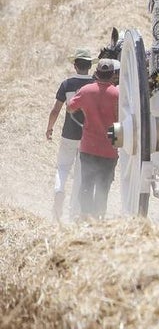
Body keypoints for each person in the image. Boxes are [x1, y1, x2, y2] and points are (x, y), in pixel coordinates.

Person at [45, 48, 94, 222]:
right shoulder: (95, 83)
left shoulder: (67, 84)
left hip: (68, 132)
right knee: (81, 174)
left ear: (75, 66)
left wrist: (49, 128)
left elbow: (55, 110)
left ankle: (59, 190)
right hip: (88, 134)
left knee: (63, 167)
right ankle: (75, 211)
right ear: (90, 66)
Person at [67, 58, 120, 218]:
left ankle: (85, 215)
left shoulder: (86, 90)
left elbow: (70, 107)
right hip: (109, 148)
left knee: (87, 183)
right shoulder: (117, 94)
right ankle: (99, 216)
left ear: (96, 74)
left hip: (89, 146)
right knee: (103, 186)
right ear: (112, 76)